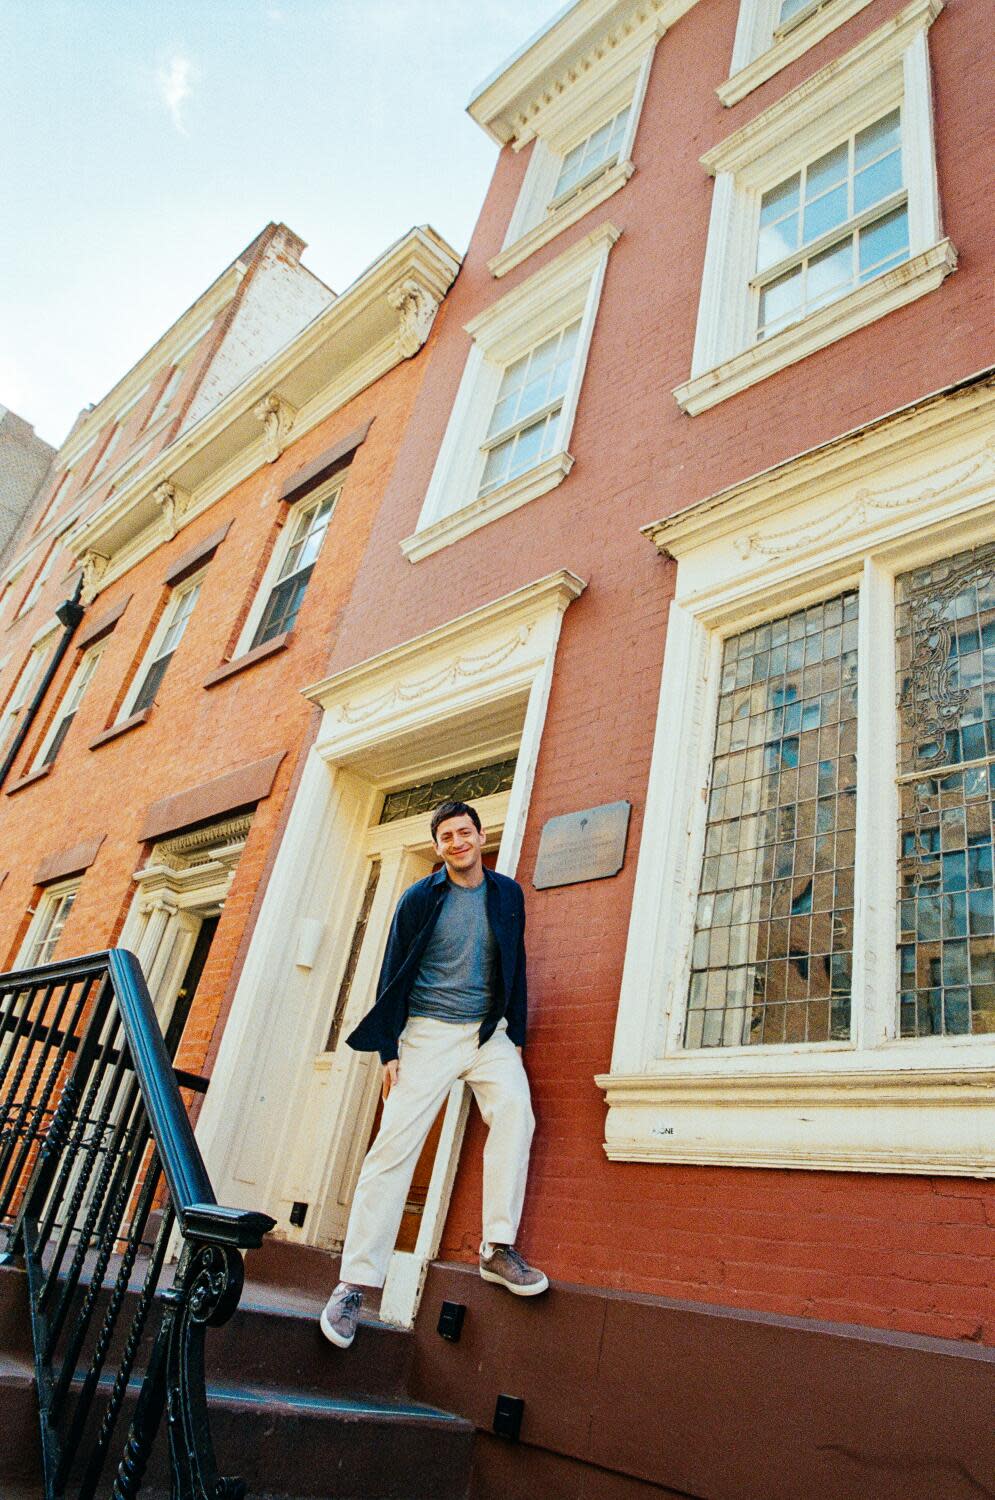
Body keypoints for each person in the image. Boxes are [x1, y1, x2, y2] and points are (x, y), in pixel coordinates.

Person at [320, 798, 547, 1349]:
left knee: (517, 1113)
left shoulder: (507, 893)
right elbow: (393, 969)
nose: (457, 842)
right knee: (393, 1148)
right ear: (439, 845)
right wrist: (388, 1049)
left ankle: (496, 1247)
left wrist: (512, 1033)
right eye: (446, 836)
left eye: (464, 832)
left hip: (486, 1032)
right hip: (425, 1032)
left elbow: (513, 961)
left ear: (479, 835)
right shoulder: (420, 898)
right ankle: (354, 1284)